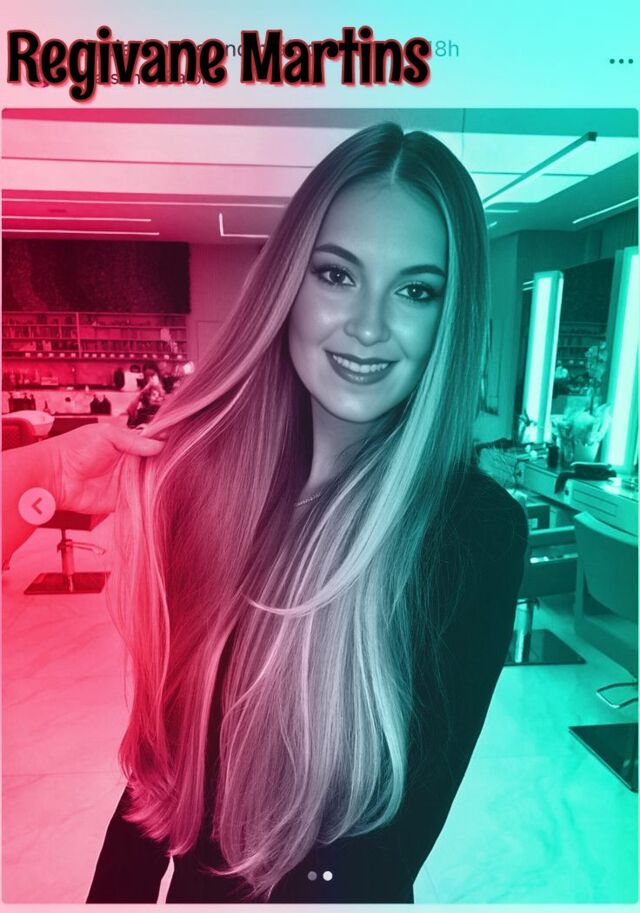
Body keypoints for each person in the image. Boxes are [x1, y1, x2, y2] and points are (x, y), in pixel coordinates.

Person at [2, 123, 528, 904]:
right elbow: (161, 774)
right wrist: (40, 483)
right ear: (290, 284)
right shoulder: (213, 487)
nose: (369, 326)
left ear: (450, 317)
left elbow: (378, 853)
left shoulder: (469, 531)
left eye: (416, 290)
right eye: (337, 274)